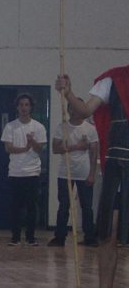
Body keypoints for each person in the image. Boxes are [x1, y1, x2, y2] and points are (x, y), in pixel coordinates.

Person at [55, 68, 129, 288]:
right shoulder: (114, 80)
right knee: (107, 232)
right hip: (118, 165)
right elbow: (85, 110)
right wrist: (68, 93)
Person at [48, 103, 98, 247]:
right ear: (68, 110)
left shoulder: (90, 129)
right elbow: (55, 149)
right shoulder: (62, 127)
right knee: (64, 205)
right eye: (72, 108)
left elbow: (94, 152)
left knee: (87, 207)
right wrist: (76, 146)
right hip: (65, 173)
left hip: (84, 173)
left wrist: (92, 174)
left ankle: (89, 237)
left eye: (77, 108)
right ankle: (59, 237)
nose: (74, 111)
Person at [1, 93, 47, 246]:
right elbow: (8, 148)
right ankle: (15, 237)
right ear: (17, 107)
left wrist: (32, 142)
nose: (24, 108)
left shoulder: (39, 127)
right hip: (15, 172)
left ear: (31, 107)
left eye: (27, 105)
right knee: (15, 206)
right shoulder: (10, 126)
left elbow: (41, 149)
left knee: (31, 206)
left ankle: (31, 237)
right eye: (21, 105)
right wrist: (24, 148)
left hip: (32, 172)